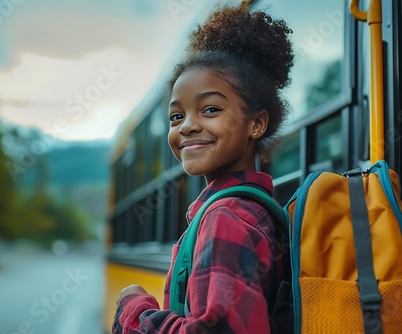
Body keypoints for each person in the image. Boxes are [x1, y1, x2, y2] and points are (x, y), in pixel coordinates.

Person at [112, 2, 294, 333]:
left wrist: (133, 309)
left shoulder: (226, 217)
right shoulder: (258, 209)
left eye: (210, 109)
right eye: (177, 116)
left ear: (256, 123)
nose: (187, 127)